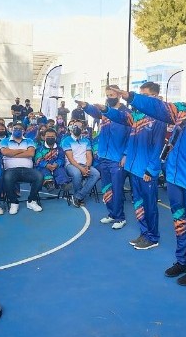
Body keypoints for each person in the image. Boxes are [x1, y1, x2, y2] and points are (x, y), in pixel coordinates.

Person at [117, 70, 186, 286]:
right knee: (179, 220)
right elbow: (158, 107)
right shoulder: (182, 111)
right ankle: (182, 261)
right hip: (175, 180)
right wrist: (131, 97)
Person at [103, 81, 167, 250]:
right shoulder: (137, 117)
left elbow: (158, 146)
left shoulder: (160, 118)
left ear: (155, 97)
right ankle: (144, 233)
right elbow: (121, 119)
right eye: (140, 96)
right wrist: (104, 110)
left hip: (146, 171)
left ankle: (153, 237)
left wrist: (151, 170)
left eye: (145, 96)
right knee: (138, 203)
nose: (141, 100)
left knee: (149, 206)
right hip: (133, 168)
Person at [81, 85, 131, 230]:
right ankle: (112, 214)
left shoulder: (126, 114)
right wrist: (85, 106)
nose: (109, 98)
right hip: (103, 157)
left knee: (117, 189)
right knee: (107, 188)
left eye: (112, 95)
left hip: (117, 159)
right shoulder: (105, 112)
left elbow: (132, 137)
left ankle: (120, 217)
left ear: (119, 95)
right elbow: (94, 111)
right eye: (107, 95)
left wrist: (125, 154)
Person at [0, 121, 44, 214]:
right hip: (11, 170)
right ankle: (14, 202)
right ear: (12, 129)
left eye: (20, 128)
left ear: (24, 131)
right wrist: (22, 150)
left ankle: (31, 201)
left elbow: (31, 153)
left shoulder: (29, 140)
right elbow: (5, 152)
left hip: (28, 170)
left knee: (39, 176)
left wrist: (12, 153)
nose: (17, 130)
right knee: (7, 178)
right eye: (15, 128)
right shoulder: (5, 141)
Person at [60, 122, 100, 207]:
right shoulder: (66, 141)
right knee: (77, 173)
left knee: (96, 174)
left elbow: (89, 156)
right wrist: (81, 169)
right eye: (75, 126)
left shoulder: (86, 141)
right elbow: (71, 159)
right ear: (71, 128)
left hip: (85, 165)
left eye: (79, 126)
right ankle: (78, 196)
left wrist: (87, 167)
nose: (77, 128)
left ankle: (78, 196)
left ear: (82, 129)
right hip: (71, 165)